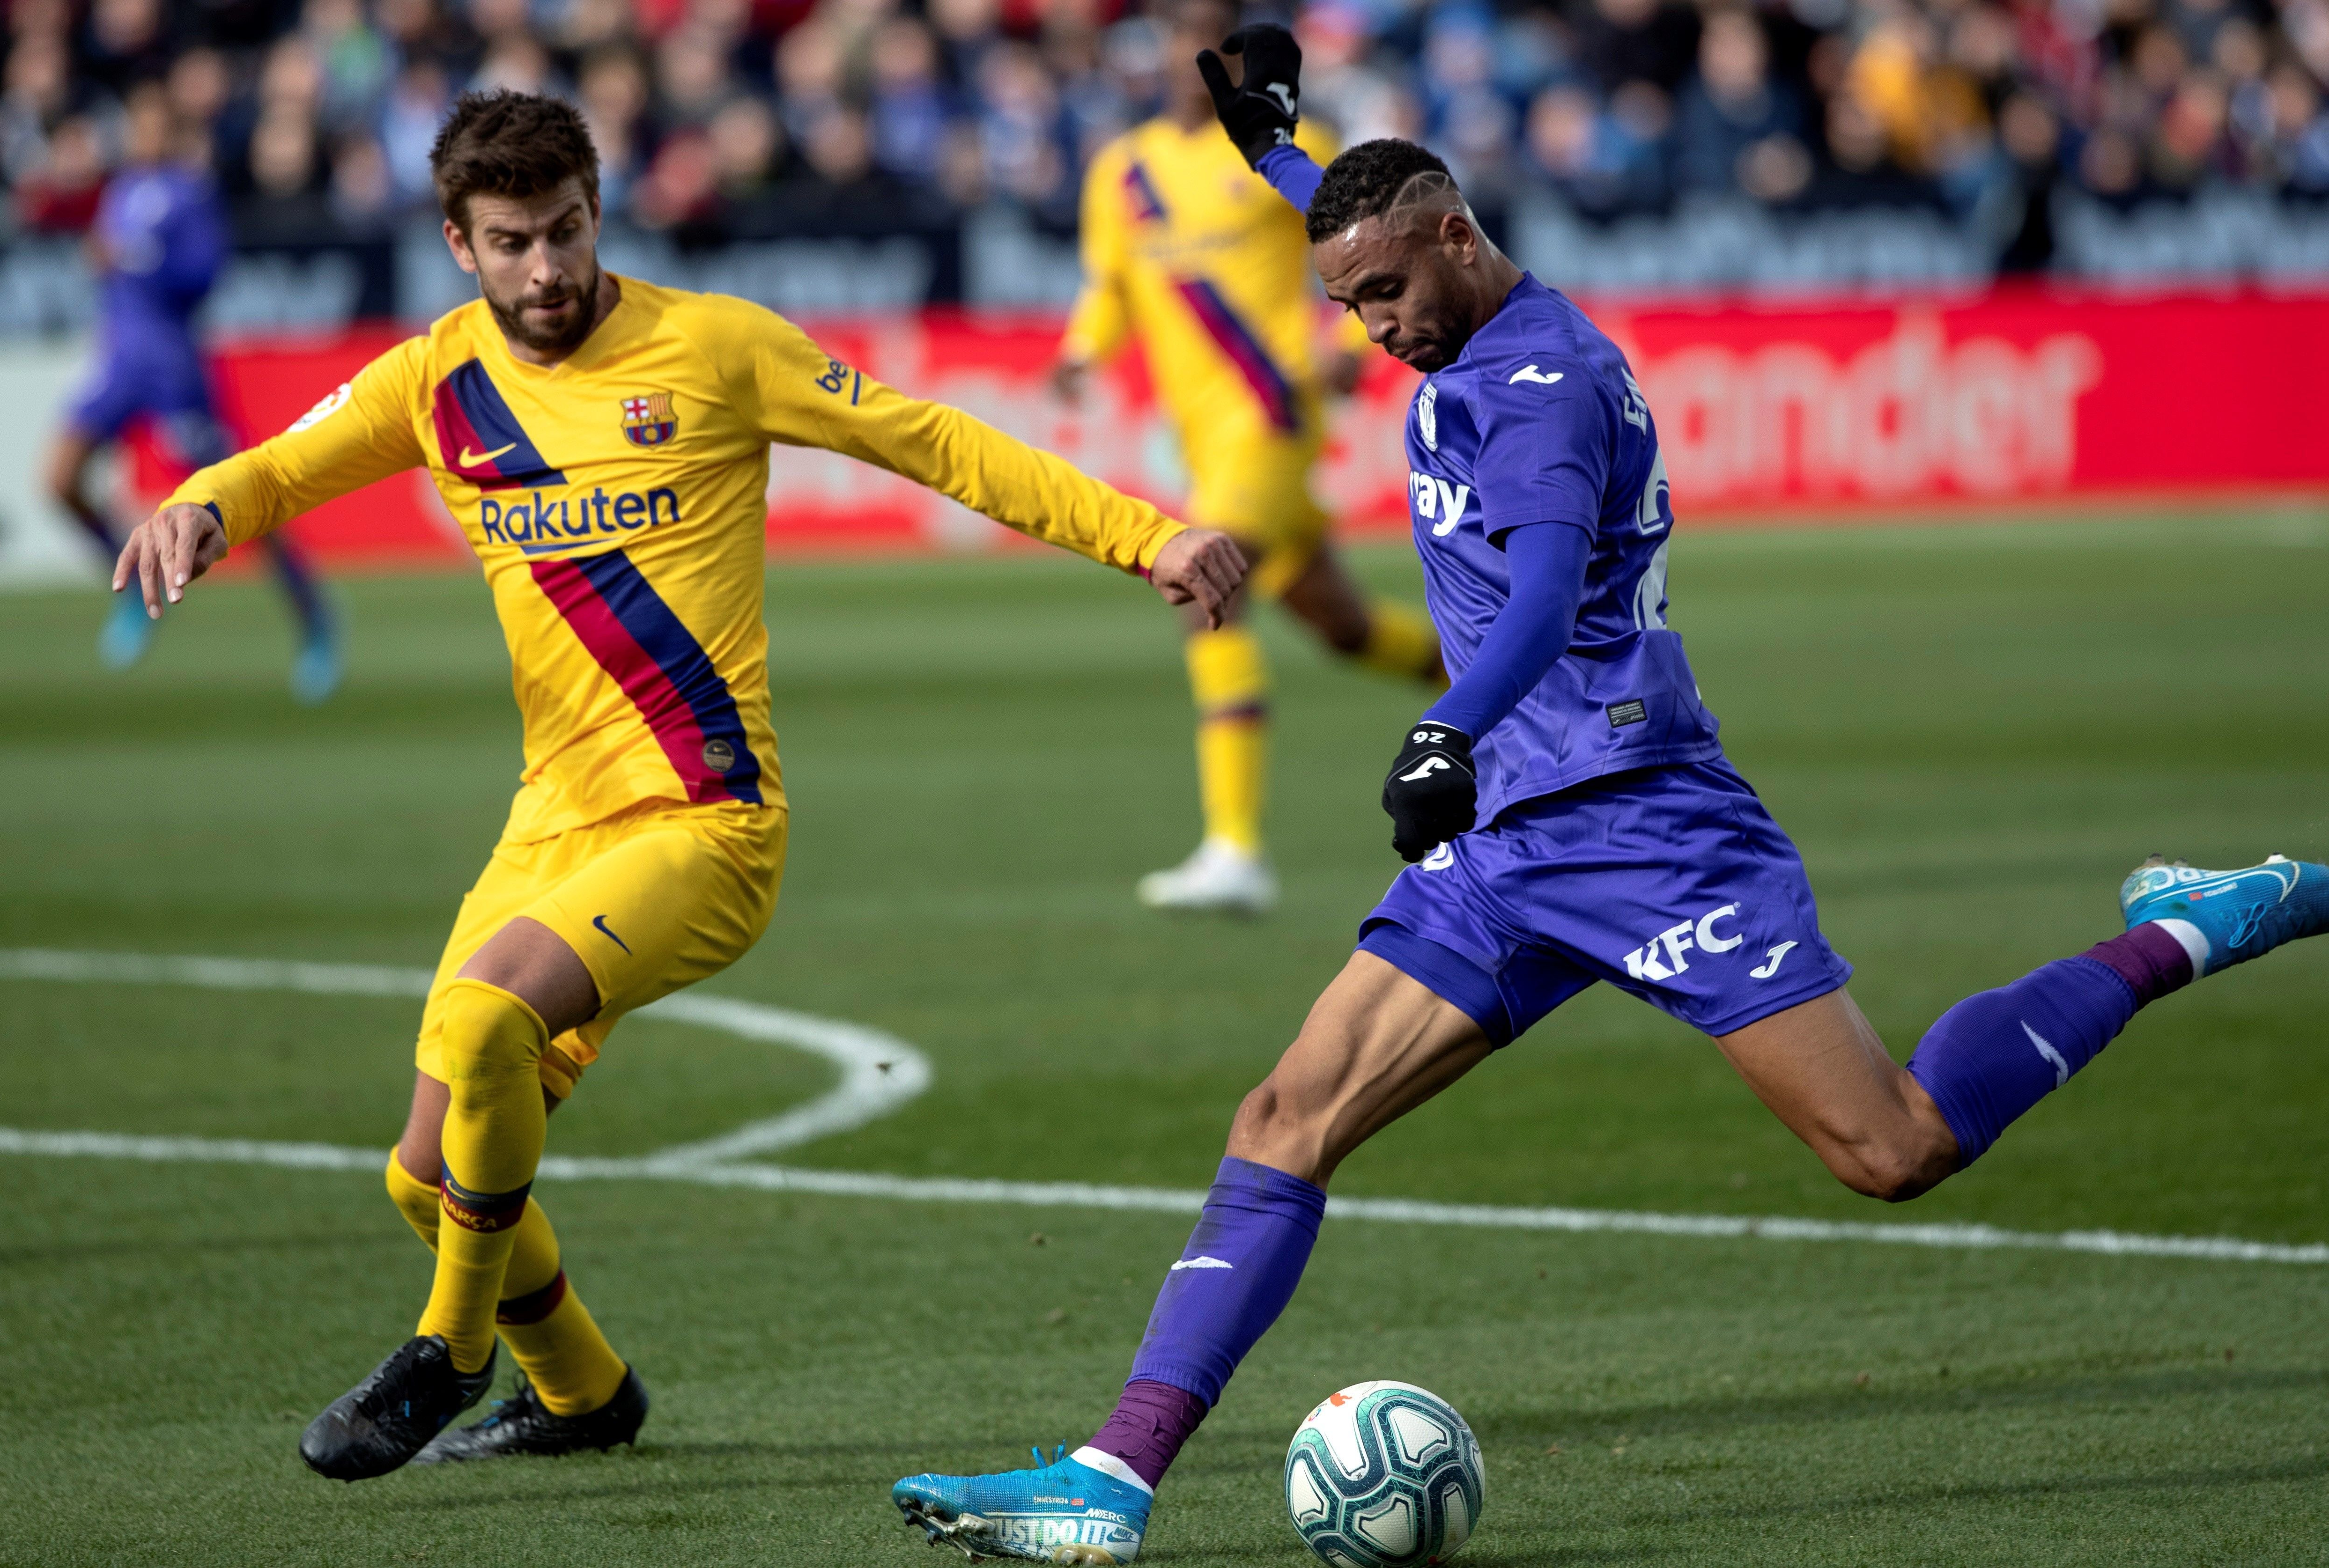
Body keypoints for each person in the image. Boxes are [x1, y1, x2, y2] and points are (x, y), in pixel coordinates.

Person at [889, 29, 2329, 1564]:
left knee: (1895, 1148)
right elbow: (1366, 204)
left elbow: (1535, 598)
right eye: (1348, 305)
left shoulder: (1549, 387)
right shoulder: (1443, 281)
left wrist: (1445, 728)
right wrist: (1277, 148)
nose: (1372, 331)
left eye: (1383, 296)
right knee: (1287, 1114)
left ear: (1456, 242)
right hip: (1508, 836)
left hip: (1640, 821)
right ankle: (1112, 1484)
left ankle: (2184, 929)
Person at [112, 88, 1248, 1482]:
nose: (548, 271)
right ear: (461, 245)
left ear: (601, 211)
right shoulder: (439, 380)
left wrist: (1149, 538)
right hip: (554, 823)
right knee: (426, 1170)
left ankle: (448, 1349)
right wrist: (205, 502)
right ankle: (581, 1388)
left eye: (569, 231)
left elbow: (937, 442)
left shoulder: (712, 348)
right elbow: (288, 465)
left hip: (709, 822)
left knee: (481, 1027)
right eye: (514, 242)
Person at [1057, 0, 1442, 916]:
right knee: (1342, 627)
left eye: (1220, 33)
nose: (1202, 54)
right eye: (1184, 33)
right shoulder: (1123, 169)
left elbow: (1370, 244)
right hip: (1204, 435)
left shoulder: (1295, 139)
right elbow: (1110, 284)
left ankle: (1235, 848)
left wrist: (1351, 352)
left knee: (1203, 582)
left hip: (1270, 415)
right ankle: (1516, 685)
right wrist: (1081, 350)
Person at [50, 79, 343, 704]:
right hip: (119, 363)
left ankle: (314, 618)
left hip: (172, 369)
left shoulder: (190, 193)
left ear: (172, 129)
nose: (142, 134)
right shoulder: (122, 191)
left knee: (238, 503)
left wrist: (134, 257)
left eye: (153, 123)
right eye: (137, 123)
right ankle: (131, 585)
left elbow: (205, 274)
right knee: (59, 478)